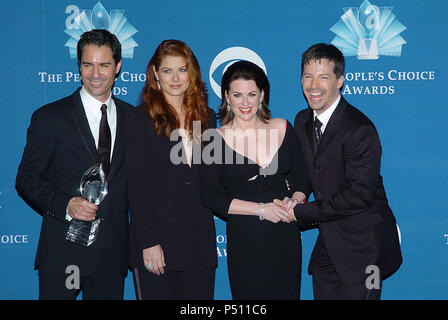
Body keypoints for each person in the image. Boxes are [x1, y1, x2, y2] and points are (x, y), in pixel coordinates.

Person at [15, 29, 132, 299]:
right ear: (78, 66)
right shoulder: (51, 117)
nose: (95, 73)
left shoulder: (134, 119)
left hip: (112, 255)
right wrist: (66, 204)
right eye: (87, 64)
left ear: (118, 67)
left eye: (104, 65)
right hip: (64, 253)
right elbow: (27, 178)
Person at [281, 43, 402, 300]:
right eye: (307, 76)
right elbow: (307, 170)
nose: (313, 86)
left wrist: (299, 213)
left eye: (323, 77)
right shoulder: (303, 120)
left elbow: (359, 196)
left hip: (365, 248)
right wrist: (300, 193)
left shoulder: (360, 130)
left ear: (340, 81)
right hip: (329, 244)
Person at [199, 60, 311, 300]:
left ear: (262, 94)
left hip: (285, 234)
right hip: (246, 238)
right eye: (237, 95)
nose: (245, 102)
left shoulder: (282, 128)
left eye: (251, 94)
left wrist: (296, 200)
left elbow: (303, 180)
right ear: (226, 97)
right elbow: (211, 196)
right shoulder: (214, 139)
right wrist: (261, 210)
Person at [124, 40, 217, 300]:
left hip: (199, 244)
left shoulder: (206, 116)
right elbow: (136, 186)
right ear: (155, 73)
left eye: (182, 70)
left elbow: (212, 176)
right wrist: (148, 242)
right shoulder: (139, 118)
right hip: (158, 244)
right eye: (167, 71)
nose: (175, 78)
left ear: (192, 73)